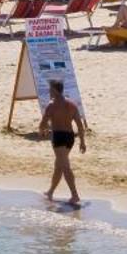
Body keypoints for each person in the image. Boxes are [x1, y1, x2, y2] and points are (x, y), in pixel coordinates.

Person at [38, 78, 88, 207]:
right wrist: (82, 141)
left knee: (64, 166)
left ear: (54, 90)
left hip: (59, 137)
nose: (49, 91)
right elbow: (80, 125)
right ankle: (50, 192)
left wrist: (42, 131)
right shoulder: (72, 105)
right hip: (70, 137)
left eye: (50, 89)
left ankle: (75, 195)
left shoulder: (52, 105)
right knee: (59, 165)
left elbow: (43, 123)